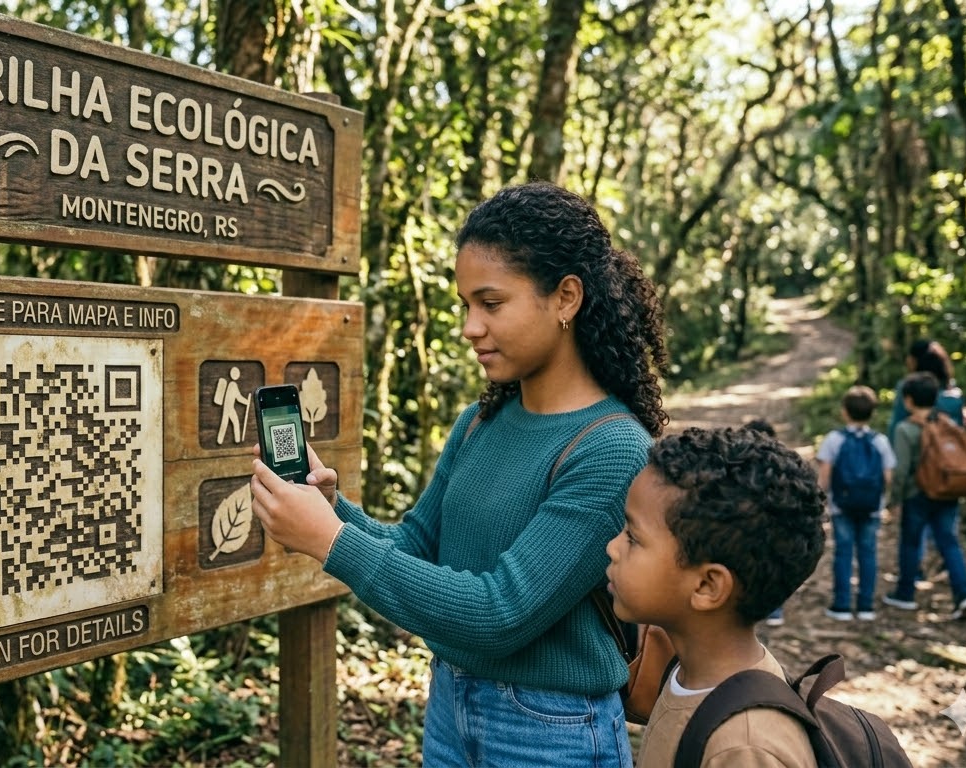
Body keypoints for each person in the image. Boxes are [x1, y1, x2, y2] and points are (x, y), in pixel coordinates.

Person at [249, 181, 670, 767]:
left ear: (566, 297)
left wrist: (328, 540)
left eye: (491, 304)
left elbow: (501, 613)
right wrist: (332, 509)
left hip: (550, 733)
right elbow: (415, 545)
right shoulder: (480, 421)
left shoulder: (611, 448)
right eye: (465, 305)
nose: (471, 327)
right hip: (450, 705)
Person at [605, 426, 826, 768]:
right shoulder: (688, 676)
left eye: (633, 538)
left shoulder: (745, 748)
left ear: (707, 586)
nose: (612, 548)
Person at [882, 372, 966, 620]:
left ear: (909, 400)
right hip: (948, 491)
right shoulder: (947, 423)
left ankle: (905, 593)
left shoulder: (906, 429)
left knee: (911, 542)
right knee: (949, 542)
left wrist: (894, 500)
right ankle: (964, 595)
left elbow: (901, 471)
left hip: (918, 495)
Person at [815, 386, 895, 621]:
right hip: (872, 507)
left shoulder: (834, 440)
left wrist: (820, 500)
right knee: (868, 553)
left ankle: (841, 605)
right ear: (872, 413)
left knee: (843, 552)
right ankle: (866, 605)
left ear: (844, 412)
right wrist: (883, 500)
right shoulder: (880, 441)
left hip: (842, 505)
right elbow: (888, 477)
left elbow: (825, 476)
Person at [741, 418, 788, 628]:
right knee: (774, 566)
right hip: (775, 526)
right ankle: (775, 610)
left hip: (747, 527)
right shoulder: (781, 466)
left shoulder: (739, 465)